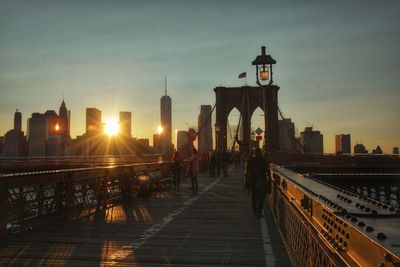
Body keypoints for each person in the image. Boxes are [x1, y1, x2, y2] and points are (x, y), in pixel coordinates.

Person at [245, 148, 271, 217]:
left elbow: (247, 171)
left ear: (255, 153)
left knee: (254, 196)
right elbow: (268, 171)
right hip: (262, 180)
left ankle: (255, 210)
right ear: (261, 153)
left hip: (253, 180)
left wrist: (247, 180)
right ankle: (259, 211)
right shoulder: (264, 160)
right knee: (261, 197)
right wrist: (269, 181)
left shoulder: (250, 160)